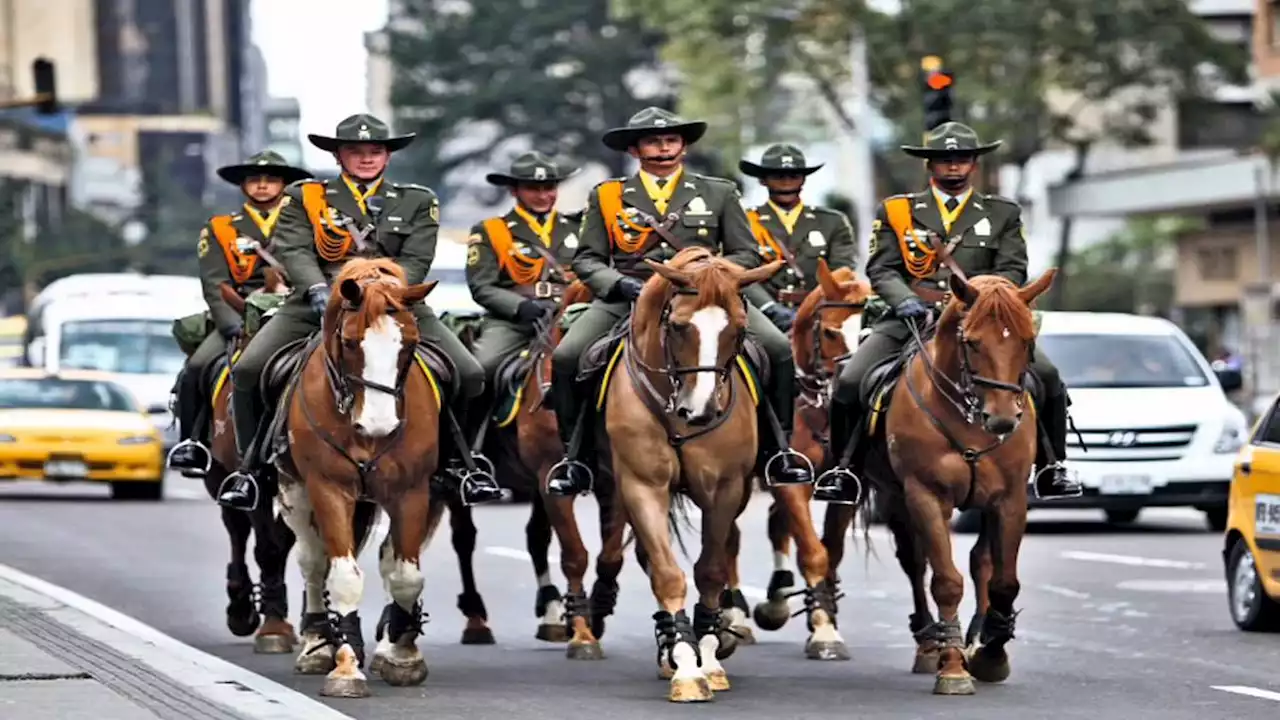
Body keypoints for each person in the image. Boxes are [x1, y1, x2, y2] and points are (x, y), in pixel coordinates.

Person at [216, 114, 503, 511]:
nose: (366, 158)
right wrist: (318, 288)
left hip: (396, 304)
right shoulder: (305, 196)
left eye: (375, 151)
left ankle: (460, 465)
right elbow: (294, 250)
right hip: (318, 303)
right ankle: (250, 469)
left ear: (387, 156)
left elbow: (418, 258)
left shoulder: (417, 200)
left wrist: (389, 292)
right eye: (356, 151)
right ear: (339, 156)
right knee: (248, 369)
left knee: (470, 374)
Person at [544, 106, 810, 496]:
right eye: (653, 141)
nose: (664, 149)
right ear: (636, 150)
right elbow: (586, 259)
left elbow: (746, 254)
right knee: (568, 357)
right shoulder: (608, 195)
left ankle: (778, 451)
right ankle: (576, 458)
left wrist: (709, 276)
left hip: (705, 299)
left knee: (776, 349)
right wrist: (620, 285)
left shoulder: (719, 192)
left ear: (683, 145)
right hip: (630, 296)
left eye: (671, 140)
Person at [814, 121, 1081, 503]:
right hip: (910, 315)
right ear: (930, 166)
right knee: (852, 380)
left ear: (973, 164)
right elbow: (881, 267)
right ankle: (843, 470)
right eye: (944, 160)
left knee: (1049, 378)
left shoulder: (1002, 213)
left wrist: (984, 299)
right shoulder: (898, 211)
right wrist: (903, 298)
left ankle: (1052, 467)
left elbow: (1012, 269)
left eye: (962, 159)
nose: (953, 166)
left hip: (981, 319)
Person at [167, 150, 312, 475]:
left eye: (271, 179)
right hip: (240, 311)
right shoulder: (220, 228)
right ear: (244, 186)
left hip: (294, 310)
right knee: (198, 367)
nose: (262, 186)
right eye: (254, 179)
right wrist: (232, 326)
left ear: (285, 184)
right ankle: (192, 444)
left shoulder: (307, 224)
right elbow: (214, 284)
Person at [465, 151, 579, 433]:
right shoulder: (492, 231)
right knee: (482, 368)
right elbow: (482, 286)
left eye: (549, 188)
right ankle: (468, 449)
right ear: (514, 190)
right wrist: (519, 307)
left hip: (569, 315)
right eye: (533, 189)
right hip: (514, 320)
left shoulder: (579, 228)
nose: (543, 196)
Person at [739, 144, 859, 317]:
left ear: (803, 179)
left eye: (794, 176)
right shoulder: (746, 221)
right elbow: (739, 272)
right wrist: (768, 307)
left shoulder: (832, 222)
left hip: (819, 310)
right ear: (762, 180)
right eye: (778, 176)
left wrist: (812, 307)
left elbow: (842, 271)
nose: (786, 183)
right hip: (762, 312)